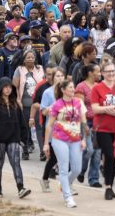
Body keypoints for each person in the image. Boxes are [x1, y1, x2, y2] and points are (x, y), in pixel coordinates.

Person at [43, 79, 87, 208]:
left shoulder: (78, 103)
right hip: (59, 139)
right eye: (70, 88)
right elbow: (49, 125)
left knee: (77, 169)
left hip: (76, 139)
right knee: (63, 168)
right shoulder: (57, 105)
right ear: (63, 90)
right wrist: (46, 143)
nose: (73, 90)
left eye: (73, 88)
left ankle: (64, 183)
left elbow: (83, 123)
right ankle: (68, 197)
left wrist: (83, 139)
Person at [0, 78, 31, 198]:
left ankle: (21, 188)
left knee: (16, 163)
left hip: (13, 139)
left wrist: (23, 139)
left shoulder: (15, 103)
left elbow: (22, 123)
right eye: (5, 87)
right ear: (0, 88)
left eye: (10, 87)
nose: (8, 89)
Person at [90, 63, 115, 200]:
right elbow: (95, 109)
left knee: (113, 158)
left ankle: (110, 186)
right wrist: (111, 109)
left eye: (113, 71)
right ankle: (107, 187)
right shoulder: (97, 88)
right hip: (103, 128)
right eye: (108, 72)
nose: (111, 74)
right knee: (109, 154)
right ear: (102, 73)